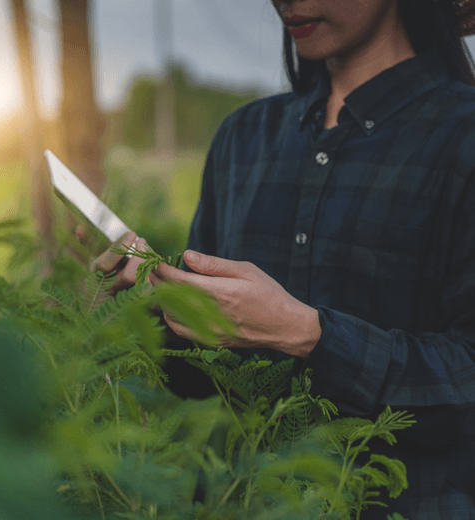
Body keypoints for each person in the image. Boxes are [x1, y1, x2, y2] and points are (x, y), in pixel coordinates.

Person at [90, 0, 475, 518]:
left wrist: (309, 334)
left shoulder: (463, 137)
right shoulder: (243, 138)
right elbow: (206, 377)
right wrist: (155, 307)